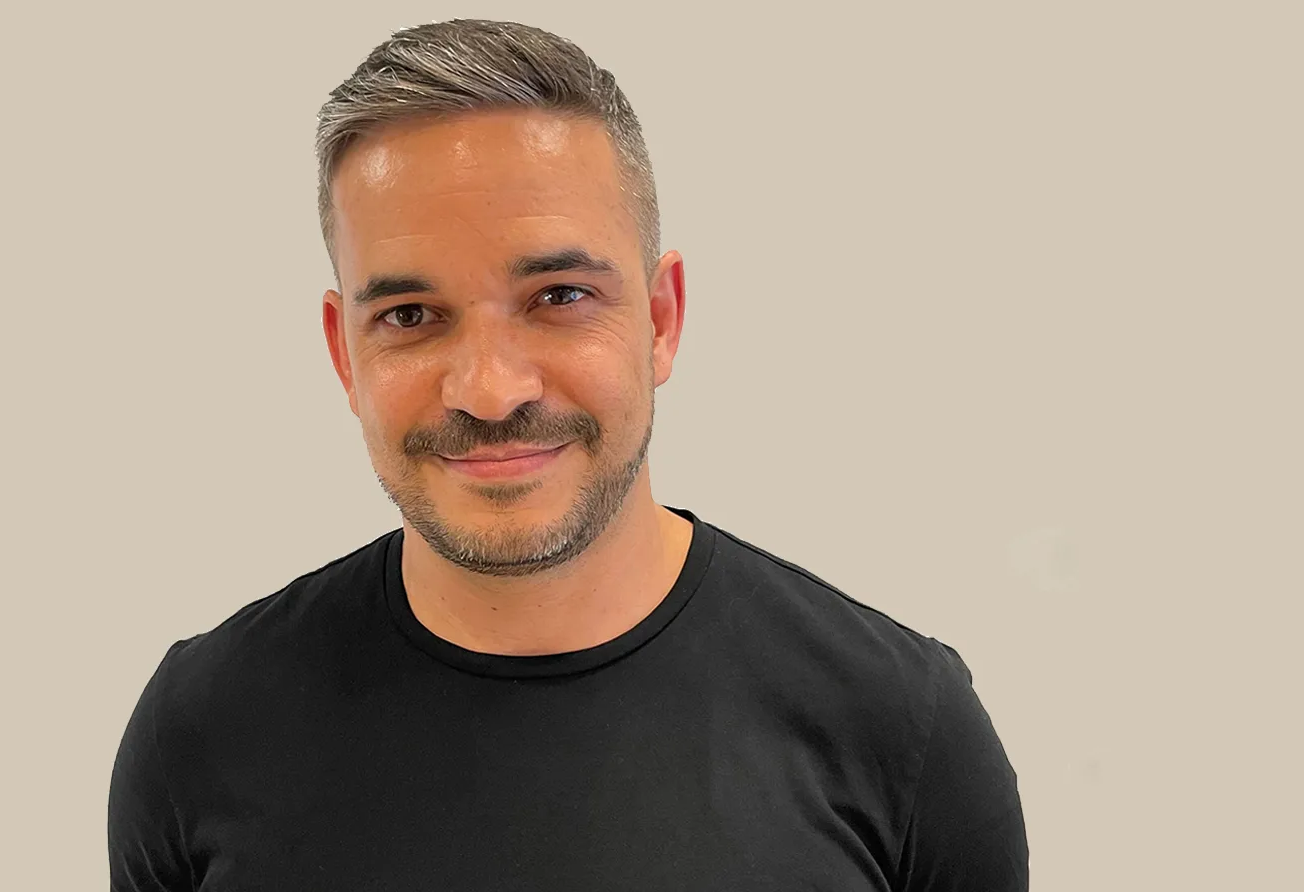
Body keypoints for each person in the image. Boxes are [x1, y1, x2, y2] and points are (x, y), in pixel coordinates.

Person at [108, 18, 1027, 891]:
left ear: (660, 320)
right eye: (409, 315)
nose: (489, 390)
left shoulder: (899, 727)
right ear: (344, 354)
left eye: (558, 297)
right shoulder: (201, 729)